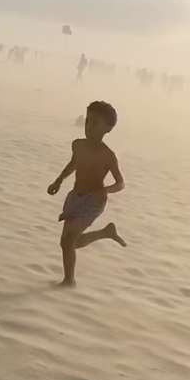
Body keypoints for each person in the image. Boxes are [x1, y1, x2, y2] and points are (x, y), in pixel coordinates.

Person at [47, 101, 126, 287]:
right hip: (75, 197)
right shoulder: (78, 145)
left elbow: (120, 183)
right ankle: (105, 233)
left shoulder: (108, 155)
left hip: (93, 201)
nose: (89, 126)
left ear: (108, 128)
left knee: (68, 241)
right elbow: (73, 164)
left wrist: (104, 190)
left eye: (95, 123)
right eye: (88, 121)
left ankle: (69, 281)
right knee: (67, 243)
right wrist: (58, 180)